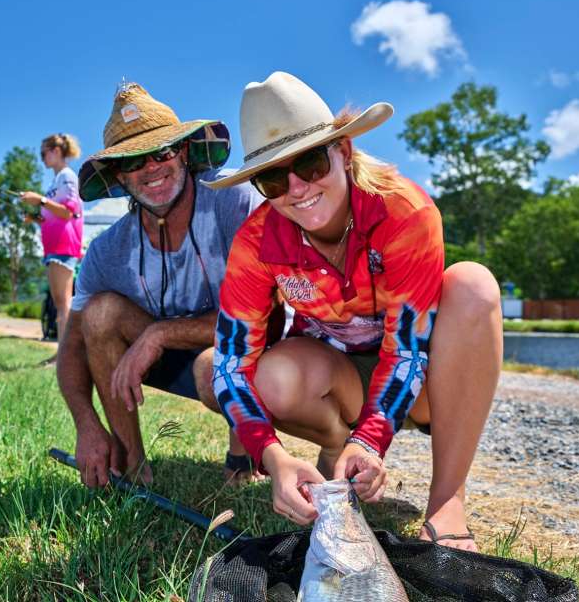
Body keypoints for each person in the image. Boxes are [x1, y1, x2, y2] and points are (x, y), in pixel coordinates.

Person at [207, 72, 501, 552]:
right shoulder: (256, 241)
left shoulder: (403, 209)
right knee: (272, 377)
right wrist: (273, 456)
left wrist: (373, 439)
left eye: (310, 162)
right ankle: (335, 448)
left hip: (422, 380)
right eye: (274, 178)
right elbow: (230, 363)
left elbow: (408, 346)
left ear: (343, 152)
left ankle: (447, 499)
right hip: (335, 375)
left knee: (473, 284)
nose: (297, 188)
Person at [57, 81, 261, 488]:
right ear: (119, 175)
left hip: (243, 350)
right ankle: (132, 466)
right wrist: (86, 424)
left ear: (184, 152)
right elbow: (71, 348)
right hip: (163, 358)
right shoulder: (106, 251)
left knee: (214, 369)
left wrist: (161, 332)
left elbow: (260, 318)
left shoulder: (234, 201)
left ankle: (243, 455)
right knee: (98, 315)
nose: (151, 168)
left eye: (163, 151)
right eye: (133, 161)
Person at [21, 133, 84, 340]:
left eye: (43, 153)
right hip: (53, 248)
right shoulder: (57, 181)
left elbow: (68, 212)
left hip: (64, 247)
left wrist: (39, 200)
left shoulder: (67, 176)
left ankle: (64, 357)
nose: (42, 158)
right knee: (59, 304)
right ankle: (61, 355)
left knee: (63, 303)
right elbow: (56, 215)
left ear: (56, 151)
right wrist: (36, 218)